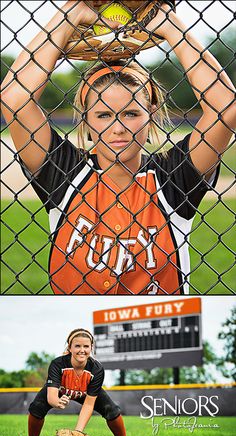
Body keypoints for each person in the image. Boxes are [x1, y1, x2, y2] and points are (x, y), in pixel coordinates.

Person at [1, 1, 235, 295]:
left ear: (150, 115)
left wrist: (169, 24)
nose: (118, 127)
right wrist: (69, 16)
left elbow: (225, 108)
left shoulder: (173, 179)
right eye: (103, 115)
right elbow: (14, 100)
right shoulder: (64, 174)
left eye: (130, 113)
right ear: (86, 120)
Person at [26, 328, 132, 436]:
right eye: (77, 346)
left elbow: (88, 405)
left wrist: (77, 432)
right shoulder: (58, 364)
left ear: (91, 347)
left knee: (111, 410)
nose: (82, 350)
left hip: (85, 392)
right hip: (61, 391)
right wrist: (57, 403)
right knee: (37, 407)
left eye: (86, 346)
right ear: (70, 348)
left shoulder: (96, 369)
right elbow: (51, 397)